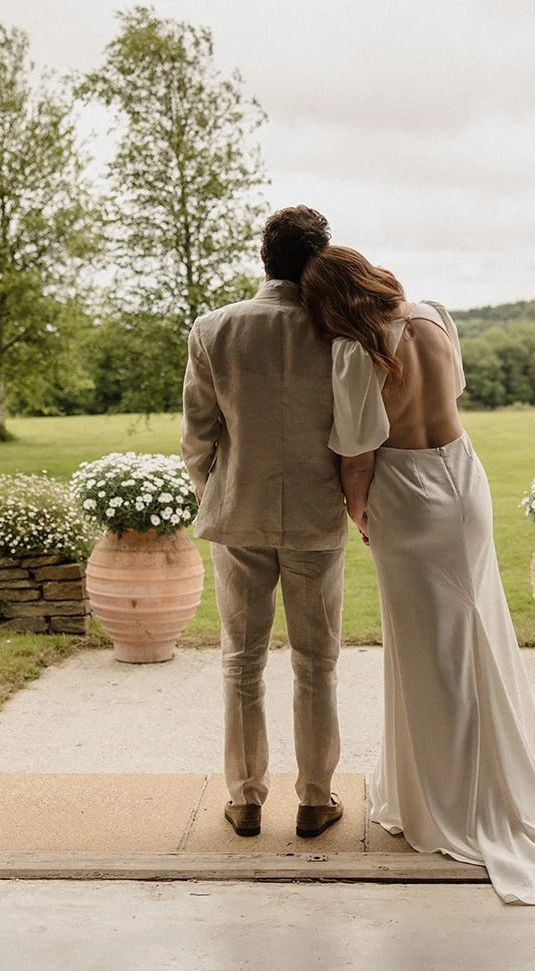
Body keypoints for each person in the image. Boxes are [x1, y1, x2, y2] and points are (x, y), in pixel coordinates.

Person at [300, 244, 535, 904]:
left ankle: (447, 799)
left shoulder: (355, 353)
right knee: (474, 635)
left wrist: (359, 513)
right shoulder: (434, 316)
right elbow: (451, 394)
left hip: (408, 495)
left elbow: (358, 455)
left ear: (334, 303)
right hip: (462, 482)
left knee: (428, 652)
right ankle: (469, 784)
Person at [180, 206, 349, 840]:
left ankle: (246, 798)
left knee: (241, 661)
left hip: (239, 514)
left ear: (264, 257)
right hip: (316, 515)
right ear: (318, 259)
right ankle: (314, 798)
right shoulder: (337, 332)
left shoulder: (214, 329)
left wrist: (218, 491)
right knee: (316, 663)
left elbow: (197, 438)